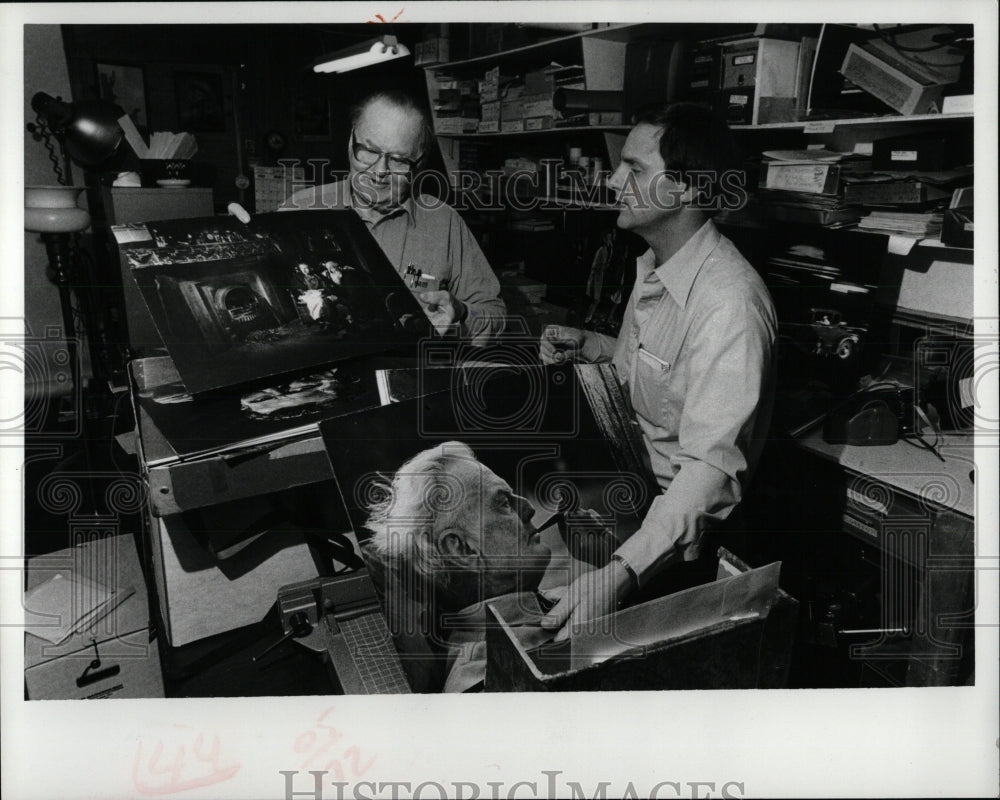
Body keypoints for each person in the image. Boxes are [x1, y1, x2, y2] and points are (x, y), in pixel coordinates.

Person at [538, 102, 778, 641]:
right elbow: (642, 369)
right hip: (623, 493)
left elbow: (709, 473)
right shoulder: (656, 264)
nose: (614, 180)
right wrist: (590, 345)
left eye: (635, 169)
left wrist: (621, 574)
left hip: (672, 539)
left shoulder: (729, 305)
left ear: (687, 189)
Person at [280, 90, 506, 345]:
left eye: (398, 160)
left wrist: (462, 312)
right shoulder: (298, 209)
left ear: (419, 165)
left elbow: (495, 316)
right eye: (368, 150)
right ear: (350, 141)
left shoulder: (444, 222)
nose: (378, 172)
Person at [362, 441, 553, 692]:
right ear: (461, 549)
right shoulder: (483, 677)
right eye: (504, 503)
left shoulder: (547, 604)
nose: (528, 508)